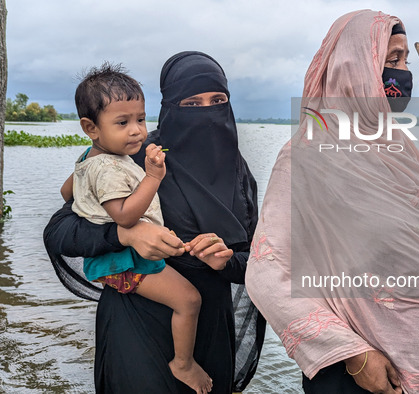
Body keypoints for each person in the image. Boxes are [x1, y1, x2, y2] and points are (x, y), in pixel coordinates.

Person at [245, 10, 419, 394]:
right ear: (355, 67)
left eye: (405, 60)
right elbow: (266, 272)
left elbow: (405, 229)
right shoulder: (308, 157)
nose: (403, 72)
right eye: (391, 60)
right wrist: (353, 355)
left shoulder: (399, 149)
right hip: (357, 375)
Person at [44, 52, 264, 394]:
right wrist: (126, 233)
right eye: (192, 103)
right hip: (135, 319)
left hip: (209, 326)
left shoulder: (238, 173)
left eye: (218, 100)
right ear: (171, 106)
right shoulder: (133, 155)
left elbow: (262, 259)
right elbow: (59, 232)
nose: (207, 111)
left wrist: (228, 261)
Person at [60, 63, 218, 393]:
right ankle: (183, 364)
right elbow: (126, 218)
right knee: (189, 301)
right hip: (124, 262)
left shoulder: (92, 158)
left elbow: (66, 193)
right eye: (123, 122)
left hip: (115, 259)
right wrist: (153, 177)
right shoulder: (108, 167)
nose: (136, 131)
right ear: (91, 127)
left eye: (141, 119)